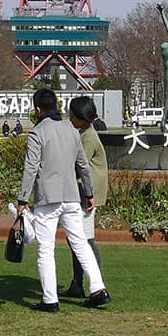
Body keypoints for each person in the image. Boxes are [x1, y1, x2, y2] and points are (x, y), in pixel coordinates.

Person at [16, 89, 109, 311]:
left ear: (38, 109)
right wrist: (89, 194)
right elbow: (82, 166)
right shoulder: (72, 131)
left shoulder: (37, 132)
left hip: (48, 198)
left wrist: (22, 199)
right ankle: (98, 289)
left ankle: (50, 299)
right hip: (71, 197)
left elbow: (31, 167)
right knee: (81, 244)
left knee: (46, 249)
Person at [61, 95, 108, 298]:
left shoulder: (88, 137)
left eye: (72, 116)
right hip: (84, 193)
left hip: (87, 195)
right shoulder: (85, 132)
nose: (70, 119)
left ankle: (96, 286)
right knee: (77, 240)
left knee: (85, 241)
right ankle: (77, 284)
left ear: (82, 118)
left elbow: (79, 166)